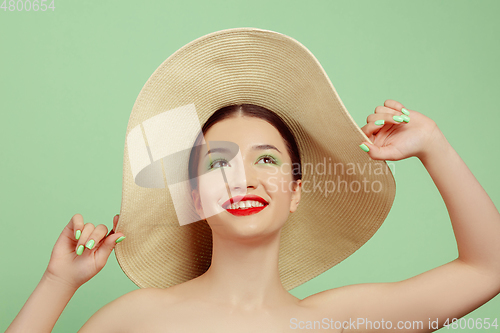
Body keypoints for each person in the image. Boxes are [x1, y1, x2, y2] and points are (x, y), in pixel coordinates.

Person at [7, 28, 500, 333]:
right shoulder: (135, 320)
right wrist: (58, 283)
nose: (242, 178)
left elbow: (488, 269)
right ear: (195, 196)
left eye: (266, 161)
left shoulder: (338, 323)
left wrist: (434, 144)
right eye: (218, 163)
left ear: (297, 190)